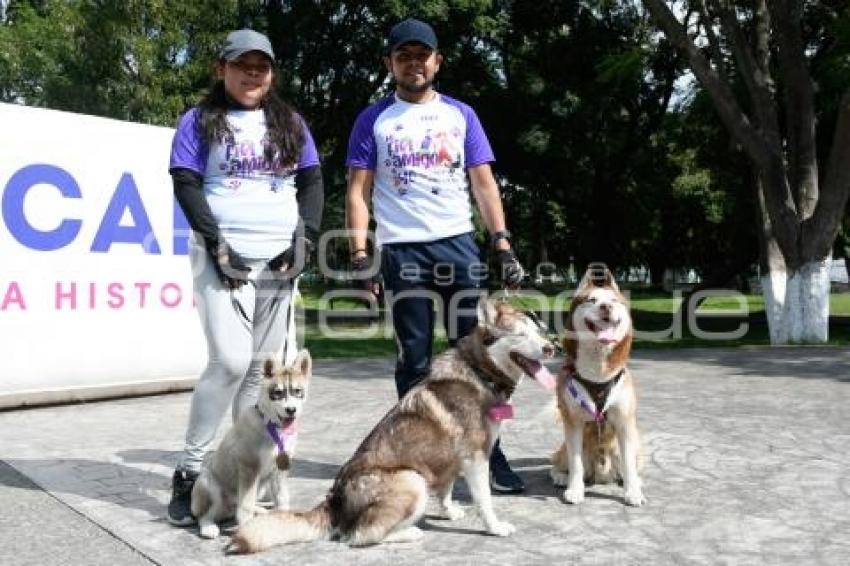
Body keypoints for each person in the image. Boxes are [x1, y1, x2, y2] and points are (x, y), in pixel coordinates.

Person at [345, 18, 526, 493]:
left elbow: (484, 183)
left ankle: (490, 453)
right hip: (402, 250)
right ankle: (417, 454)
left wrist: (501, 241)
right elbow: (358, 191)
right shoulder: (374, 119)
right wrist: (362, 253)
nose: (413, 63)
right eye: (403, 56)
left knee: (478, 358)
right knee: (416, 358)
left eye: (421, 55)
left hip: (457, 245)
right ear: (390, 64)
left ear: (436, 61)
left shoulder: (461, 115)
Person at [166, 28, 323, 525]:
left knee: (260, 369)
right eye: (242, 65)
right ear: (222, 69)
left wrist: (307, 240)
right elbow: (186, 181)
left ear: (271, 72)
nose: (252, 74)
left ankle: (241, 475)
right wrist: (216, 243)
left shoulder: (290, 122)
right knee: (230, 362)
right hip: (223, 253)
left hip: (279, 258)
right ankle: (190, 471)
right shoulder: (199, 119)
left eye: (261, 66)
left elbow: (313, 180)